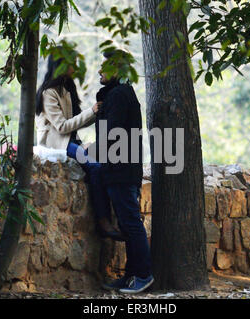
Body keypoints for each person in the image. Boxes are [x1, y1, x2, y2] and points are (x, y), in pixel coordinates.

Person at [35, 53, 125, 241]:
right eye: (71, 62)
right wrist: (91, 111)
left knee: (106, 165)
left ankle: (113, 219)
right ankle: (103, 222)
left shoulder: (67, 89)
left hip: (71, 141)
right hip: (57, 144)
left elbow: (75, 123)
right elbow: (62, 126)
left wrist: (93, 114)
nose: (75, 66)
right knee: (95, 167)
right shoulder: (49, 93)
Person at [95, 50, 154, 294]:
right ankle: (131, 276)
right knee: (129, 223)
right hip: (121, 168)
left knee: (131, 223)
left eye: (105, 68)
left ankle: (143, 274)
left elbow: (113, 133)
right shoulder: (119, 94)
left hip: (120, 169)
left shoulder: (118, 95)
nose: (100, 71)